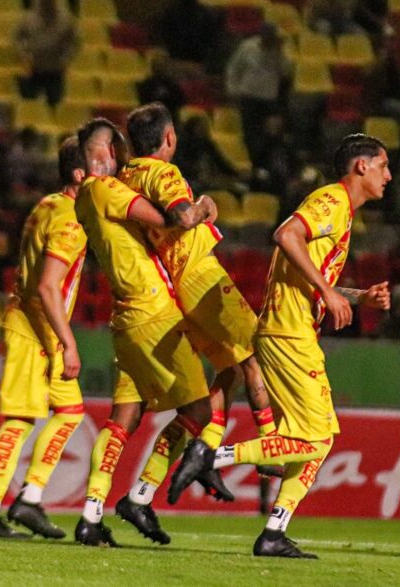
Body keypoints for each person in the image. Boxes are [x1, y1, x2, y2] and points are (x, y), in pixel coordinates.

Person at [167, 134, 392, 559]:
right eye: (383, 165)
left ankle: (274, 531)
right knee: (308, 441)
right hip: (289, 333)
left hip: (295, 329)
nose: (389, 175)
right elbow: (285, 234)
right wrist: (328, 292)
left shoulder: (339, 211)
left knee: (320, 441)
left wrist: (357, 296)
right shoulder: (332, 201)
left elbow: (303, 271)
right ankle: (209, 456)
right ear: (361, 166)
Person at [111, 103, 277, 543]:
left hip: (173, 288)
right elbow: (185, 216)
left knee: (225, 376)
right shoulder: (163, 174)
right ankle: (272, 448)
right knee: (258, 354)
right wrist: (205, 206)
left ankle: (144, 491)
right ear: (168, 139)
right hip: (200, 277)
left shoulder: (126, 178)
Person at [73, 118, 212, 546]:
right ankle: (140, 495)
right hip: (152, 312)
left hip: (127, 317)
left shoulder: (83, 198)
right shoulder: (106, 189)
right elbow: (175, 221)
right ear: (108, 153)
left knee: (123, 419)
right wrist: (205, 206)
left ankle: (91, 513)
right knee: (201, 412)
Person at [0, 138, 89, 539]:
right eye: (104, 166)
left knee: (70, 413)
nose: (112, 175)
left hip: (42, 328)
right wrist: (68, 341)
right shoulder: (70, 220)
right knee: (20, 420)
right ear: (80, 174)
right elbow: (48, 288)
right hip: (33, 328)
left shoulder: (48, 204)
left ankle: (30, 498)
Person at [225, 23, 292, 172]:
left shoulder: (278, 53)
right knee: (251, 136)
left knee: (270, 136)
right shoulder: (248, 48)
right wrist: (233, 90)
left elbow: (286, 72)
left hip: (269, 100)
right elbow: (234, 68)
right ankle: (255, 166)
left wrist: (279, 54)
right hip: (249, 98)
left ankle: (268, 167)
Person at [15, 0, 78, 106]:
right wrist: (24, 55)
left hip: (56, 69)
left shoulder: (66, 20)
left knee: (55, 104)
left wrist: (66, 58)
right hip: (33, 67)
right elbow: (18, 38)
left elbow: (74, 42)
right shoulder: (28, 19)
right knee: (29, 105)